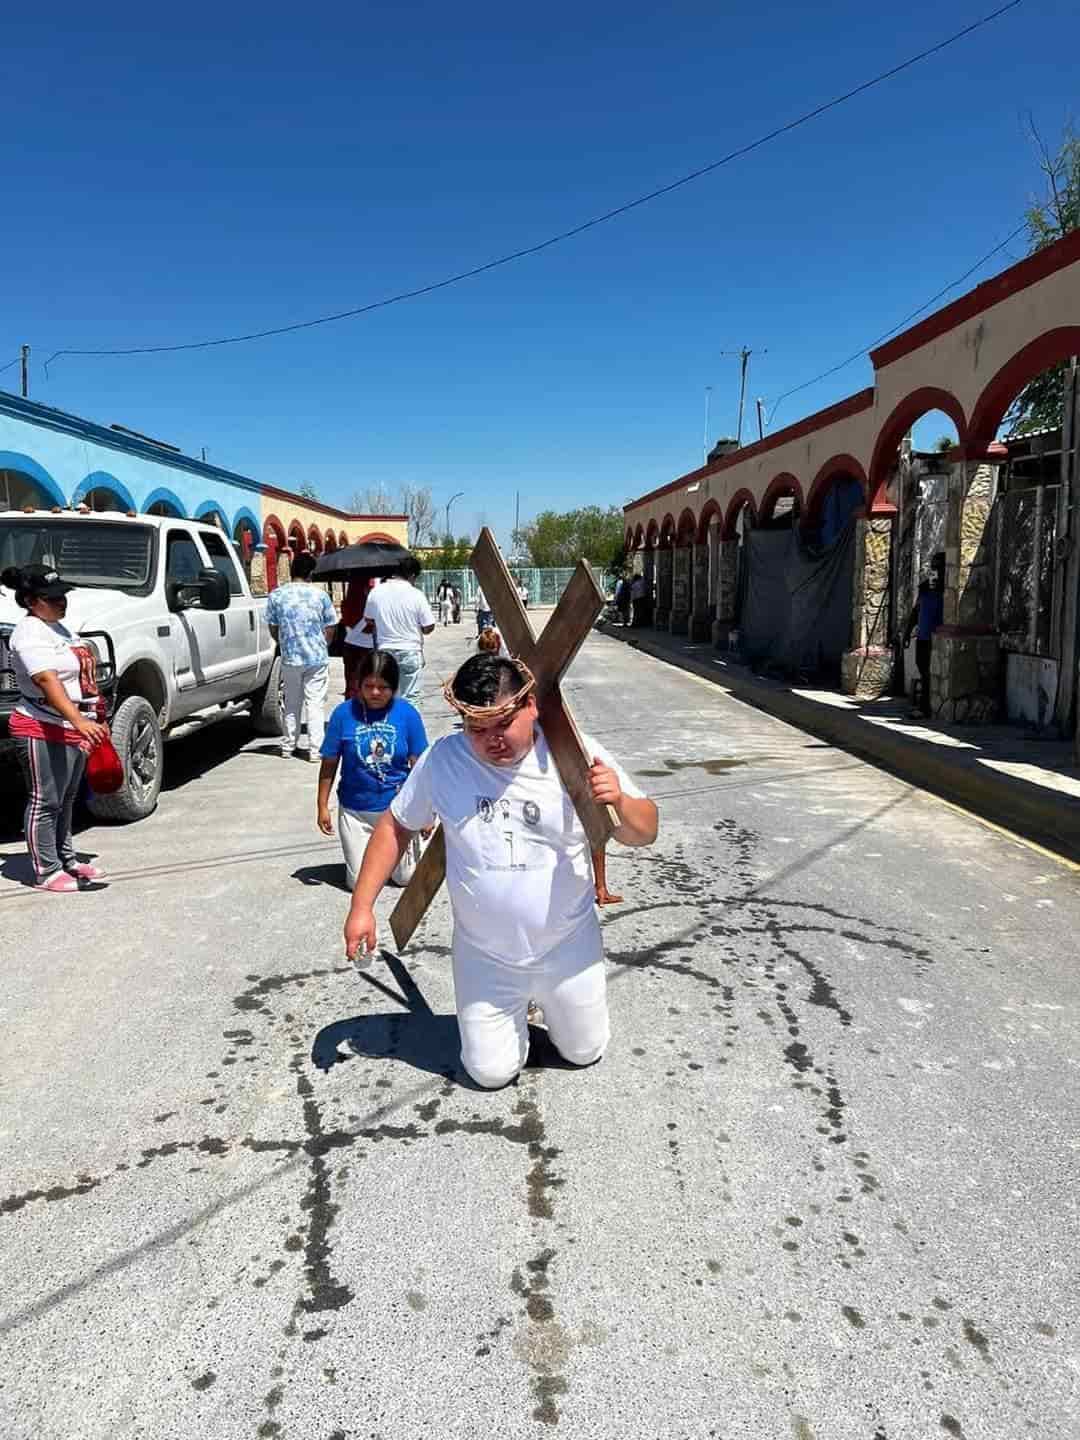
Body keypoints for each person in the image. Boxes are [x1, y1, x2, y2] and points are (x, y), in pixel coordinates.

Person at [344, 653, 659, 1090]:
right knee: (490, 1073)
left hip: (567, 945)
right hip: (485, 954)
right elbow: (395, 826)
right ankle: (509, 1016)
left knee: (585, 1051)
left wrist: (620, 802)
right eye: (477, 729)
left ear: (531, 706)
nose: (491, 740)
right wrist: (362, 906)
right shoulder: (445, 760)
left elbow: (645, 832)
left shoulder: (572, 753)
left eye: (501, 725)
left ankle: (547, 1006)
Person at [2, 564, 110, 893]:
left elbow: (81, 676)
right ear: (32, 600)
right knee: (45, 799)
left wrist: (94, 715)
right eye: (52, 597)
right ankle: (45, 870)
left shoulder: (61, 629)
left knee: (67, 798)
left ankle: (66, 858)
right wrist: (78, 720)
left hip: (72, 723)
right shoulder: (29, 633)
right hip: (40, 725)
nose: (61, 601)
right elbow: (47, 680)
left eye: (62, 595)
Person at [317, 649, 428, 890]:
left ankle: (405, 843)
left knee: (404, 879)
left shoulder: (407, 714)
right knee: (359, 883)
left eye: (383, 687)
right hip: (356, 811)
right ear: (359, 684)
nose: (375, 693)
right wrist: (322, 805)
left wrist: (427, 812)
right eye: (369, 686)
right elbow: (329, 763)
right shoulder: (342, 714)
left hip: (398, 810)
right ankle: (371, 849)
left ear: (395, 687)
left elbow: (420, 766)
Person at [265, 552, 337, 760]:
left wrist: (283, 642)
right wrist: (325, 643)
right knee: (315, 704)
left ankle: (288, 746)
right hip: (316, 657)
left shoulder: (277, 595)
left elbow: (273, 626)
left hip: (290, 657)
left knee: (291, 703)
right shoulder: (320, 596)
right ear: (311, 573)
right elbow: (330, 625)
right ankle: (316, 750)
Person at [363, 555, 435, 703]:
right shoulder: (417, 595)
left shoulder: (376, 592)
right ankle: (408, 726)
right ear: (412, 575)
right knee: (411, 696)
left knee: (386, 694)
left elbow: (368, 619)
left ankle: (389, 724)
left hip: (385, 651)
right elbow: (428, 626)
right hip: (410, 650)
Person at [902, 570, 944, 717]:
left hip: (934, 639)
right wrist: (907, 635)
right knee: (923, 670)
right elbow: (915, 614)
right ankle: (925, 706)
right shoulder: (925, 594)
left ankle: (925, 707)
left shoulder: (943, 596)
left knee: (927, 672)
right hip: (923, 638)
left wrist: (907, 635)